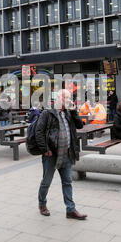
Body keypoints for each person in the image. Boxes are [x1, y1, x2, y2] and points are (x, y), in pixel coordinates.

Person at [34, 89, 87, 220]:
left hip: (67, 154)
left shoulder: (69, 113)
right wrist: (45, 149)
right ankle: (42, 204)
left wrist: (74, 112)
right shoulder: (47, 113)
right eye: (66, 98)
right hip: (51, 154)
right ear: (58, 99)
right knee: (46, 181)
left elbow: (80, 125)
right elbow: (38, 132)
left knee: (67, 182)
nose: (69, 101)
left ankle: (70, 210)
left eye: (70, 98)